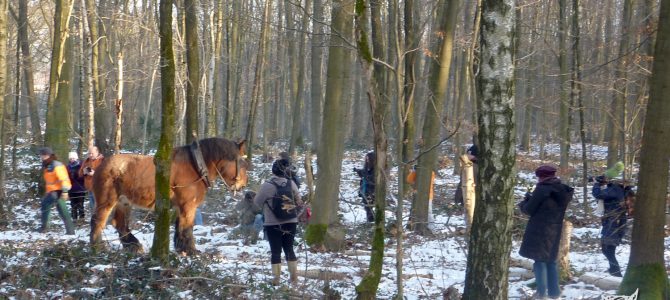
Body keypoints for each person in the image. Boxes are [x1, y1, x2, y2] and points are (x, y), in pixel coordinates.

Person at [519, 165, 573, 299]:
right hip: (555, 229)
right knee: (550, 261)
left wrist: (524, 202)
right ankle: (554, 293)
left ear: (541, 176)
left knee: (539, 262)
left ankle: (541, 293)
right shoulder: (562, 190)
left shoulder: (542, 189)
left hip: (539, 230)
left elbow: (529, 210)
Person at [253, 159, 303, 285]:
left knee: (275, 251)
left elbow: (256, 204)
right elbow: (299, 203)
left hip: (272, 223)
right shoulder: (291, 184)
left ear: (273, 170)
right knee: (289, 249)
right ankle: (294, 278)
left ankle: (276, 279)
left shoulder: (266, 186)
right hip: (291, 221)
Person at [592, 162, 630, 277]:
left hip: (613, 223)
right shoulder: (619, 189)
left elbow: (598, 194)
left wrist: (596, 184)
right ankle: (614, 270)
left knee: (607, 249)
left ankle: (616, 273)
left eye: (608, 177)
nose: (606, 179)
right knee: (607, 249)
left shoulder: (615, 189)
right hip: (614, 221)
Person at [37, 147, 75, 235]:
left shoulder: (56, 165)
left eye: (42, 155)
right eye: (41, 155)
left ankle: (44, 228)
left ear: (47, 155)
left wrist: (65, 191)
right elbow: (50, 181)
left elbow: (64, 179)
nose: (41, 157)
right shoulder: (48, 165)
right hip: (53, 191)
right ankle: (70, 231)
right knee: (62, 210)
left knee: (45, 205)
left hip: (58, 191)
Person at [79, 145, 104, 211]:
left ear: (97, 152)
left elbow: (106, 174)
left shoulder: (103, 161)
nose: (90, 155)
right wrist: (84, 172)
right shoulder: (86, 161)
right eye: (89, 153)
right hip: (89, 188)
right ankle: (94, 220)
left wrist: (95, 173)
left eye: (92, 153)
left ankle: (100, 220)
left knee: (99, 207)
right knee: (92, 207)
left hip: (99, 188)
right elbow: (80, 174)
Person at [354, 151, 376, 222]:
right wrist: (358, 171)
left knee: (369, 207)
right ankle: (370, 221)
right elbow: (364, 173)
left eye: (368, 159)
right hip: (364, 190)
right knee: (367, 207)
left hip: (371, 192)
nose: (367, 160)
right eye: (366, 159)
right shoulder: (367, 167)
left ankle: (371, 221)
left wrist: (364, 174)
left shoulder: (375, 169)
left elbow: (371, 179)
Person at [66, 152, 87, 222]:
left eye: (74, 158)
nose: (72, 159)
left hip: (80, 188)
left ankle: (82, 218)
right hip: (71, 189)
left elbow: (84, 176)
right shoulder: (68, 167)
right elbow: (66, 177)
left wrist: (77, 175)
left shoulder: (81, 166)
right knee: (73, 205)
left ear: (76, 158)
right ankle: (74, 218)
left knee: (80, 204)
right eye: (71, 158)